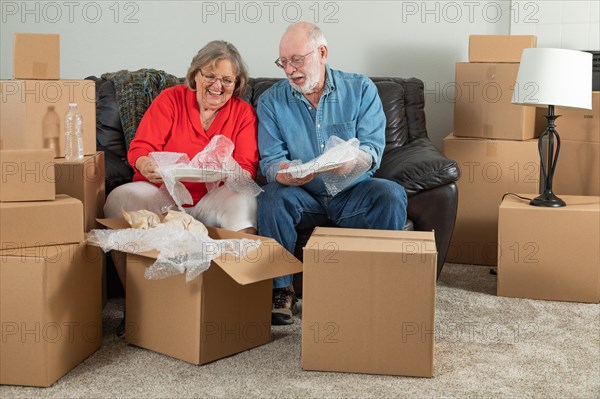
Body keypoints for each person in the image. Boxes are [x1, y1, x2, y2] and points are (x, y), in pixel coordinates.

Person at [257, 22, 408, 325]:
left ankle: (382, 283)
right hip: (304, 196)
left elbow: (372, 151)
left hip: (353, 194)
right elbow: (271, 161)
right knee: (272, 197)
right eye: (283, 62)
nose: (289, 69)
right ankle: (282, 290)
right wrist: (283, 174)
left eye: (297, 59)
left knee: (391, 194)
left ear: (322, 52)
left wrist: (353, 161)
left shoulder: (361, 89)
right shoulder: (271, 101)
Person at [104, 40, 259, 336]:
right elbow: (141, 148)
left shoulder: (242, 113)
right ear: (195, 74)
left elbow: (247, 169)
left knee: (245, 200)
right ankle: (137, 305)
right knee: (118, 199)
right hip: (164, 195)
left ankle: (234, 302)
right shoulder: (170, 99)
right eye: (210, 76)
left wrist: (226, 169)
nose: (217, 85)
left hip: (214, 197)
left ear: (237, 84)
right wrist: (146, 163)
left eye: (227, 80)